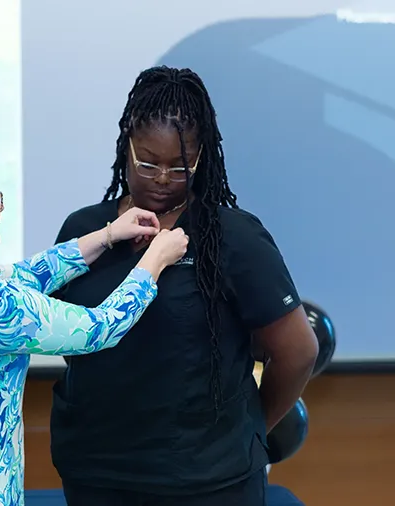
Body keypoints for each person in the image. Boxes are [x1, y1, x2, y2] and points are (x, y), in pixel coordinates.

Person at [49, 66, 320, 506]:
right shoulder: (84, 231)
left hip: (210, 482)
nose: (161, 178)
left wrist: (245, 430)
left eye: (179, 167)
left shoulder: (234, 238)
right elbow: (68, 336)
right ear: (127, 146)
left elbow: (298, 351)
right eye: (148, 162)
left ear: (202, 158)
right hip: (96, 471)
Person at [0, 145, 189, 506]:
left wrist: (107, 235)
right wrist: (155, 260)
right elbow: (99, 328)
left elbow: (27, 274)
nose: (1, 207)